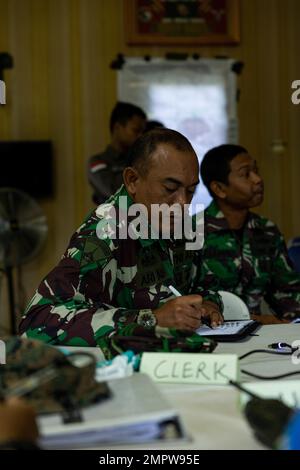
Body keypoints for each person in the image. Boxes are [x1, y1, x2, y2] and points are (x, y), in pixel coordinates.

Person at [19, 129, 223, 352]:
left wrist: (208, 304)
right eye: (170, 189)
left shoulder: (182, 222)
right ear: (132, 180)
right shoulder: (106, 229)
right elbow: (37, 321)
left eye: (191, 191)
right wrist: (150, 319)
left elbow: (204, 284)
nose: (183, 203)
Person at [200, 144, 300, 322]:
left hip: (260, 334)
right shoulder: (192, 232)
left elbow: (288, 294)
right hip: (207, 334)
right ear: (219, 189)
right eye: (246, 174)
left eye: (256, 171)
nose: (258, 179)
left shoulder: (267, 231)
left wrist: (287, 322)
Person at [88, 102, 147, 205]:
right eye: (135, 130)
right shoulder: (98, 162)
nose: (140, 136)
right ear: (117, 128)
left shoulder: (141, 158)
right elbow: (115, 191)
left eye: (142, 131)